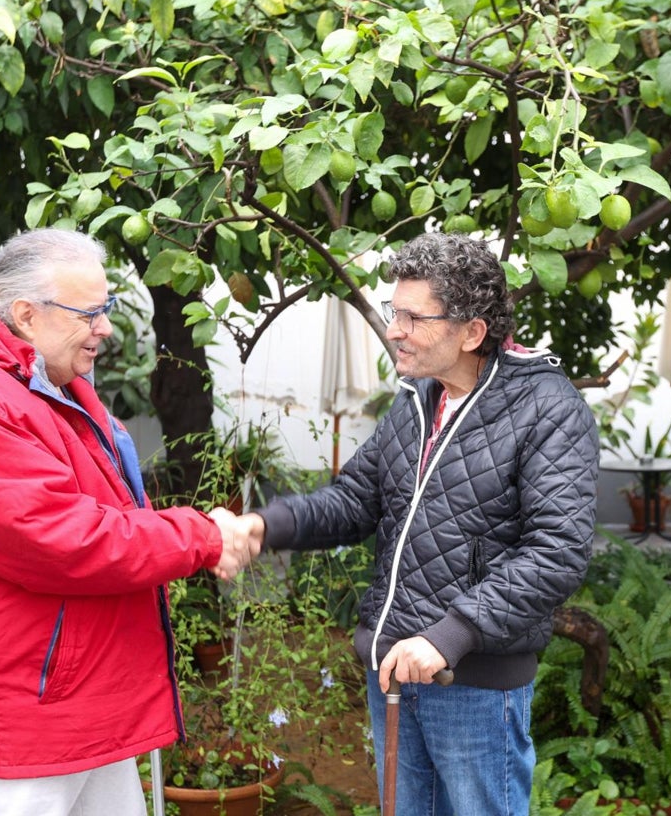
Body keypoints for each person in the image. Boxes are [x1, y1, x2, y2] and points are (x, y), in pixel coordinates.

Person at [0, 228, 257, 816]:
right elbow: (69, 540)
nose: (106, 328)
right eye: (90, 312)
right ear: (26, 315)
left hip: (74, 699)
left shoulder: (41, 384)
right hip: (26, 720)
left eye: (107, 308)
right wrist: (202, 535)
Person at [242, 232, 598, 815]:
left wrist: (449, 637)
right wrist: (264, 526)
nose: (394, 329)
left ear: (472, 332)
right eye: (393, 311)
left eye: (412, 316)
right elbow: (356, 499)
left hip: (474, 686)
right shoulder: (416, 400)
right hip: (394, 675)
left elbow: (557, 551)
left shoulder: (549, 409)